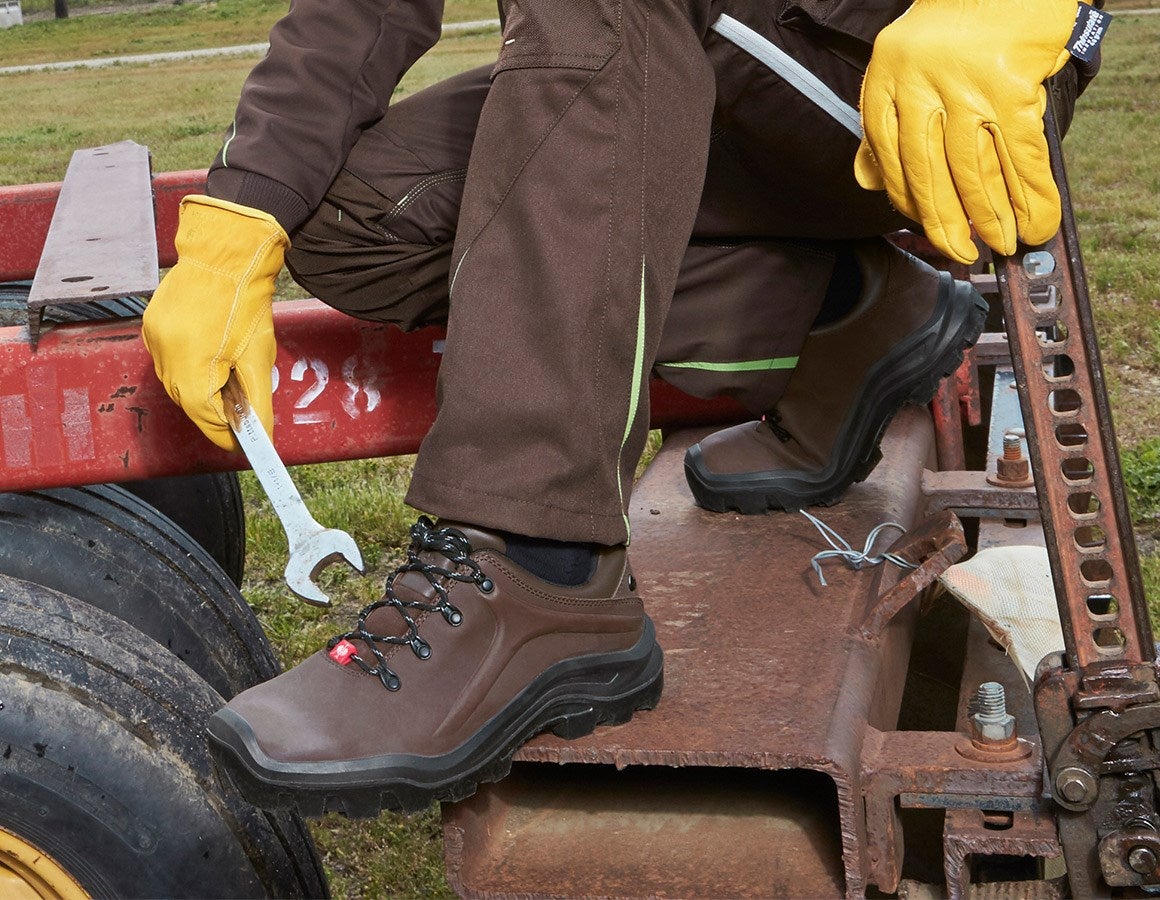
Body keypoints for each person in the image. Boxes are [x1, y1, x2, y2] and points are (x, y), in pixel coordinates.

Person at [141, 0, 1102, 816]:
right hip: (703, 50)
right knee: (367, 222)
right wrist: (243, 213)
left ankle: (538, 565)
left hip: (915, 60)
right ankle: (847, 308)